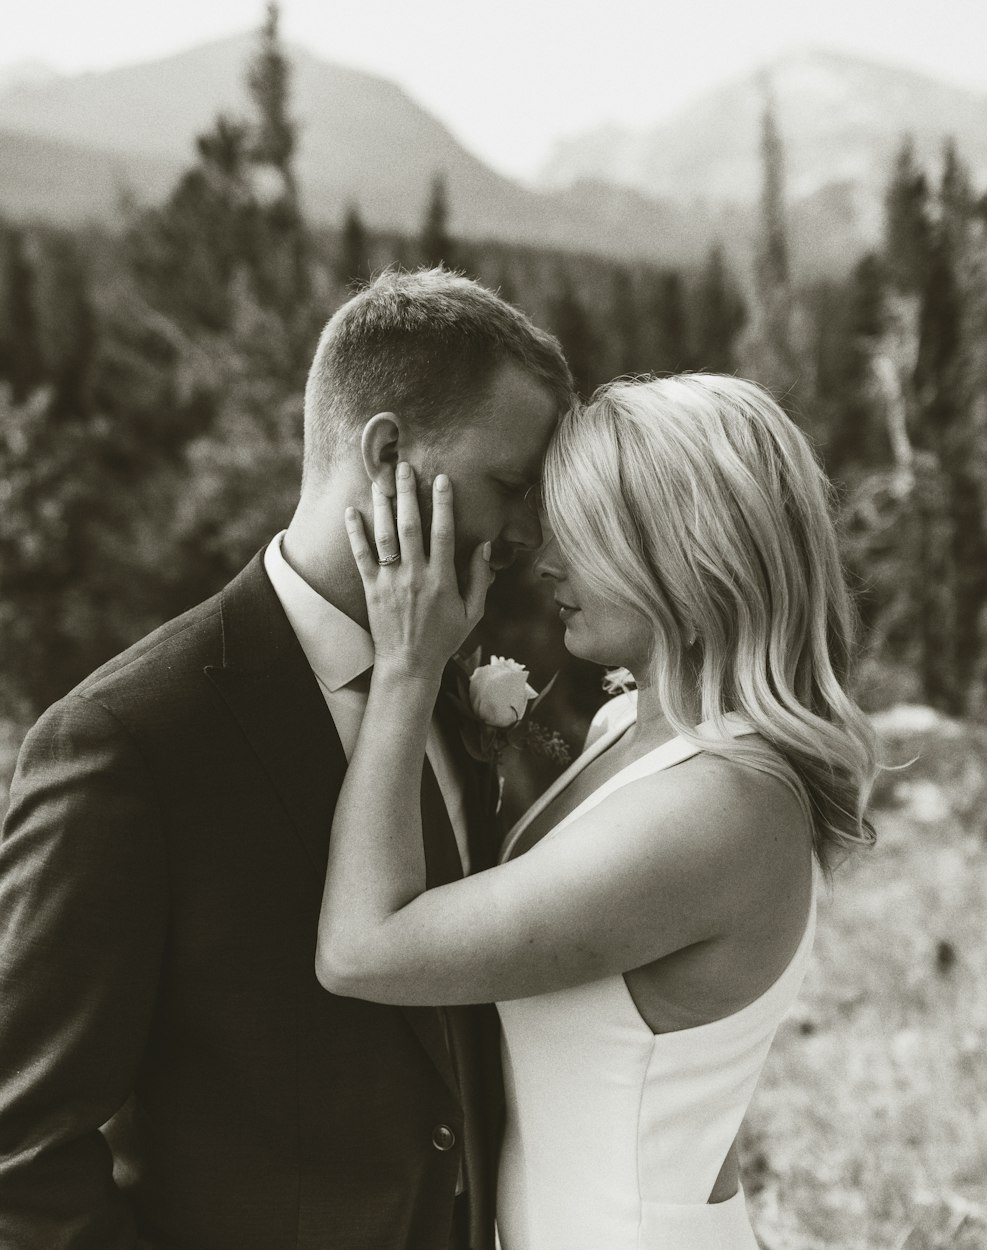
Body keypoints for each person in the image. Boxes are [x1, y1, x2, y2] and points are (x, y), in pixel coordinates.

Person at [0, 269, 573, 1250]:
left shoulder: (449, 681)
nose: (528, 531)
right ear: (388, 451)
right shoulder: (128, 740)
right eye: (510, 485)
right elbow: (21, 1152)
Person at [316, 373, 881, 1250]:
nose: (545, 564)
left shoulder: (723, 801)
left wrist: (406, 668)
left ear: (686, 551)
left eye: (582, 537)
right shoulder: (633, 721)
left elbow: (362, 951)